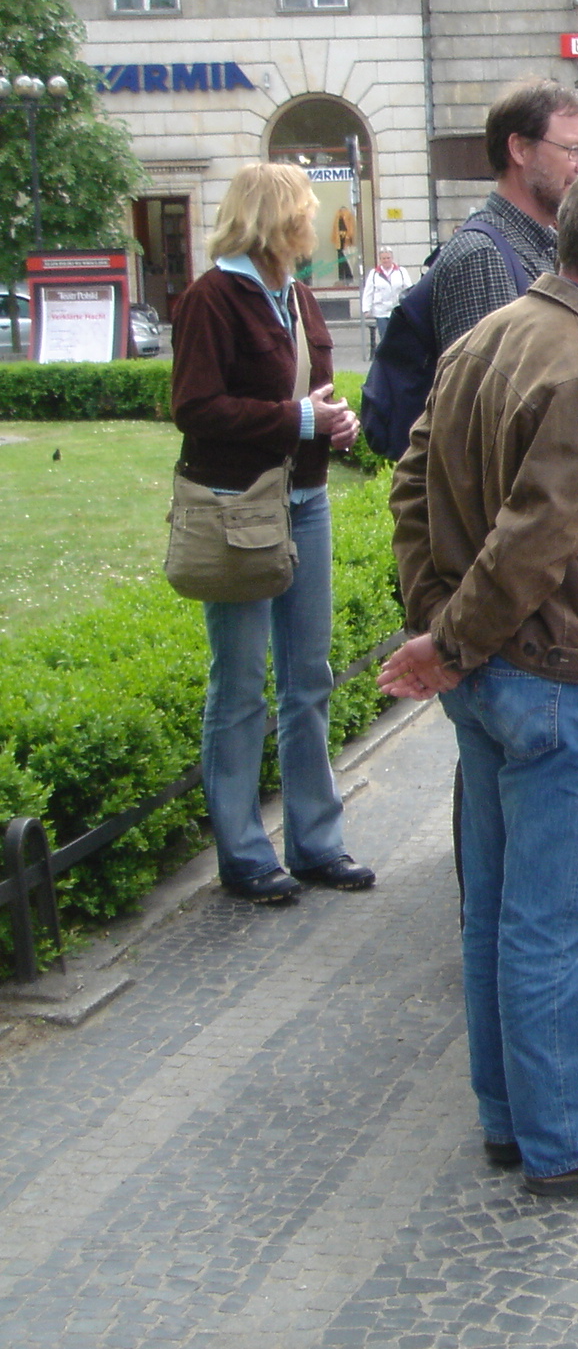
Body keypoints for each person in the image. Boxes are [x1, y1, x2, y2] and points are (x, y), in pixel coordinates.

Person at [382, 165, 578, 1195]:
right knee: (548, 923)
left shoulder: (490, 335)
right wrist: (448, 640)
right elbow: (534, 541)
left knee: (499, 915)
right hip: (552, 675)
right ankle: (562, 1136)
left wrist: (441, 629)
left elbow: (412, 480)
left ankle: (512, 1116)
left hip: (491, 674)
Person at [170, 162, 375, 906]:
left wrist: (334, 422)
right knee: (239, 685)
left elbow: (308, 396)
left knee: (307, 678)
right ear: (275, 219)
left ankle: (315, 843)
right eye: (304, 211)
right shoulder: (212, 298)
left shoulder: (297, 294)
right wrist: (299, 418)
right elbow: (196, 406)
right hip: (238, 507)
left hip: (306, 499)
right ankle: (244, 854)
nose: (313, 223)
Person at [431, 77, 578, 349]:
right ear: (519, 149)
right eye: (574, 150)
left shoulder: (540, 246)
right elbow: (493, 375)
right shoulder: (484, 256)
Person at [359, 246, 409, 352]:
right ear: (380, 259)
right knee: (385, 335)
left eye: (388, 258)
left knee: (397, 335)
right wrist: (366, 309)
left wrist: (409, 305)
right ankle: (388, 355)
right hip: (381, 310)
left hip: (397, 309)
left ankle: (398, 355)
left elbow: (408, 289)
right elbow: (368, 292)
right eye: (383, 258)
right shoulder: (374, 274)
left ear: (392, 258)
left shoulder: (401, 272)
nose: (386, 261)